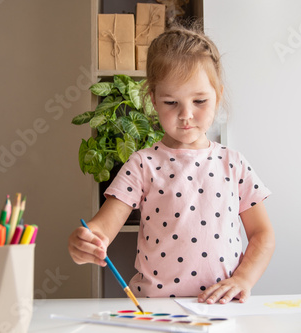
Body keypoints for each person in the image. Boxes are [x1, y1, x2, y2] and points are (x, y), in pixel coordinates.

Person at [68, 24, 275, 305]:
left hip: (222, 309)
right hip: (155, 308)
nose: (186, 115)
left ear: (219, 94)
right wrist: (87, 242)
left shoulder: (233, 163)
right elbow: (101, 229)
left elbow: (262, 234)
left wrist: (243, 279)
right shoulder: (143, 163)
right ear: (152, 100)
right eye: (170, 102)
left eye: (199, 100)